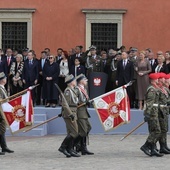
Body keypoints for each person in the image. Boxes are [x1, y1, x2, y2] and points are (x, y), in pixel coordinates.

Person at [140, 73, 163, 157]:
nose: (158, 80)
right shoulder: (152, 90)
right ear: (153, 80)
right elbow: (149, 103)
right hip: (152, 113)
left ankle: (153, 149)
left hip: (154, 112)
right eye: (157, 79)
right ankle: (146, 145)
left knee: (154, 130)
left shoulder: (154, 88)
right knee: (157, 131)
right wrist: (148, 113)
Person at [58, 74, 80, 158]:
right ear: (71, 82)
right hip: (70, 113)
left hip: (73, 112)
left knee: (71, 132)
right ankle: (63, 147)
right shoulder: (68, 91)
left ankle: (69, 149)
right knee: (74, 132)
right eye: (74, 80)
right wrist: (70, 114)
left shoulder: (72, 90)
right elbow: (65, 104)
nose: (75, 81)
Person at [74, 74, 94, 155]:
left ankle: (82, 146)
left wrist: (88, 101)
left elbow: (86, 99)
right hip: (80, 111)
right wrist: (83, 102)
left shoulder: (84, 89)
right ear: (80, 81)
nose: (86, 80)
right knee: (84, 130)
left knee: (88, 128)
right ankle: (74, 144)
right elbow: (75, 99)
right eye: (85, 79)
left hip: (84, 111)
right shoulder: (77, 89)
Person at [0, 72, 14, 155]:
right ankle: (4, 147)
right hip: (1, 113)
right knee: (1, 130)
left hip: (3, 113)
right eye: (5, 78)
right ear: (2, 80)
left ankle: (4, 147)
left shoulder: (2, 88)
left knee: (2, 130)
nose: (6, 79)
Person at [156, 73, 170, 154]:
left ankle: (164, 145)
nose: (164, 80)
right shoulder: (157, 89)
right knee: (160, 130)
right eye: (162, 79)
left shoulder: (165, 89)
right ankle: (156, 146)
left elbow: (167, 99)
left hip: (165, 111)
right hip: (159, 111)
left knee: (165, 129)